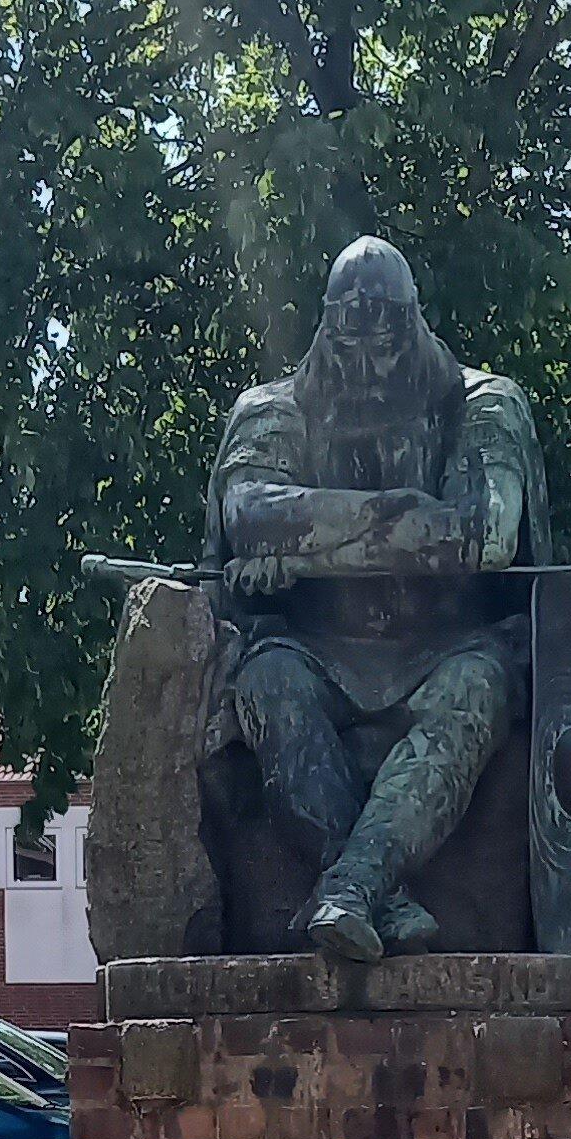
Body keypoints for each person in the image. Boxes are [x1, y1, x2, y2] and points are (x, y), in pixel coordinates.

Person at [205, 236, 552, 960]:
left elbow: (484, 531)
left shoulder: (485, 403)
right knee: (267, 684)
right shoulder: (271, 410)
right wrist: (405, 516)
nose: (365, 370)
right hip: (312, 649)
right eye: (349, 344)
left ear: (415, 328)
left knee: (473, 693)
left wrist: (308, 537)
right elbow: (247, 515)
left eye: (385, 347)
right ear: (326, 327)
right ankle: (369, 894)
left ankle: (353, 883)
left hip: (450, 649)